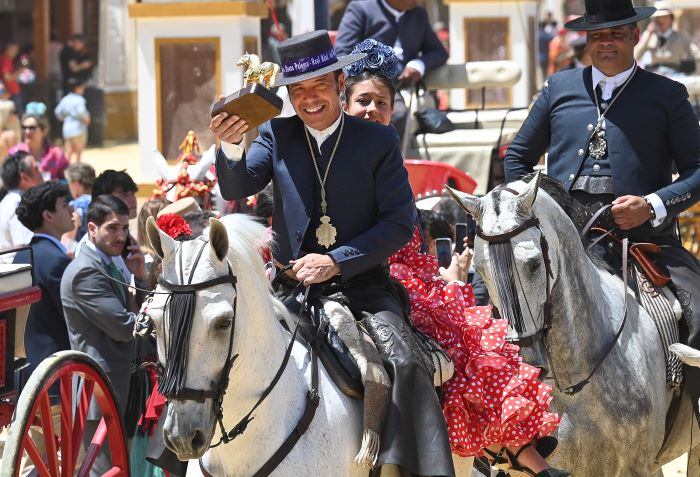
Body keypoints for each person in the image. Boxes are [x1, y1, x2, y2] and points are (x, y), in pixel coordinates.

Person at [212, 30, 453, 477]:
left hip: (361, 288)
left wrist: (336, 259)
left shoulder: (377, 141)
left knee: (404, 363)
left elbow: (400, 223)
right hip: (288, 289)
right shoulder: (276, 134)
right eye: (298, 91)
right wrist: (230, 144)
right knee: (216, 349)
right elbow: (237, 186)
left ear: (340, 83)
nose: (309, 99)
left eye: (319, 86)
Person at [343, 40, 568, 477]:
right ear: (345, 103)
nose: (371, 109)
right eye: (362, 101)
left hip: (411, 280)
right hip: (367, 275)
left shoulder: (388, 156)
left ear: (393, 110)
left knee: (472, 338)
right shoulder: (332, 156)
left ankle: (520, 452)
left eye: (381, 102)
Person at [505, 0, 700, 422]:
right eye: (596, 35)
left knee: (699, 307)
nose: (605, 42)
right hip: (565, 241)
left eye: (614, 33)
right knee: (498, 307)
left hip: (643, 240)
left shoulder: (667, 95)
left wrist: (652, 206)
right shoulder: (559, 88)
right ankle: (502, 432)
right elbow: (517, 159)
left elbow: (697, 171)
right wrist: (543, 209)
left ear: (634, 35)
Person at [61, 194, 147, 476]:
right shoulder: (87, 272)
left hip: (119, 387)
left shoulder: (109, 263)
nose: (121, 235)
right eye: (112, 228)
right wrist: (162, 319)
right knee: (104, 471)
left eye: (125, 227)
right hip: (99, 392)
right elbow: (125, 327)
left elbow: (134, 310)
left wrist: (140, 276)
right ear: (92, 229)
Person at [334, 0, 448, 140]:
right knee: (394, 112)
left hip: (398, 86)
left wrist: (419, 64)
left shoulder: (418, 14)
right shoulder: (361, 8)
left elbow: (439, 52)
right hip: (364, 82)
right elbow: (343, 54)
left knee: (397, 113)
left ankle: (390, 160)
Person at [14, 181, 74, 377]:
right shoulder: (56, 260)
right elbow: (73, 317)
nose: (71, 209)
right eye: (64, 205)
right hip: (54, 372)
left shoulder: (21, 255)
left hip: (24, 371)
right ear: (48, 216)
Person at [634, 0, 700, 74]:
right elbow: (636, 56)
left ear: (671, 19)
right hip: (655, 74)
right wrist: (648, 34)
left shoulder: (681, 36)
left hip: (675, 74)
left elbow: (695, 53)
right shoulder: (650, 36)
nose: (660, 20)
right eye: (657, 17)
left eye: (664, 17)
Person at [0, 151, 43, 259]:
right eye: (36, 168)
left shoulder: (8, 200)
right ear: (25, 178)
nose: (41, 171)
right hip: (17, 272)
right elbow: (23, 250)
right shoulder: (19, 204)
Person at [9, 104, 69, 180]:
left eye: (32, 128)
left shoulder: (57, 154)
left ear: (44, 131)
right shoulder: (15, 153)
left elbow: (65, 181)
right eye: (24, 128)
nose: (27, 131)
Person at [54, 78, 90, 163]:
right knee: (78, 153)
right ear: (77, 88)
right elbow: (82, 112)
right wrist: (87, 119)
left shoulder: (65, 99)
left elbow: (57, 111)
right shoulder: (79, 100)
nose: (83, 89)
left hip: (67, 128)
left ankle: (65, 171)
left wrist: (63, 119)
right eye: (81, 87)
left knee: (68, 153)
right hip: (78, 128)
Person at [64, 162, 95, 252]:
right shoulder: (103, 200)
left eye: (69, 183)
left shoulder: (75, 207)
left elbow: (67, 246)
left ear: (76, 183)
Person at [0, 42, 22, 115]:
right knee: (16, 116)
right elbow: (7, 78)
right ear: (9, 49)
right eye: (14, 50)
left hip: (12, 92)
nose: (15, 52)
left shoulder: (8, 60)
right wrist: (19, 71)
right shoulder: (4, 60)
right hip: (10, 93)